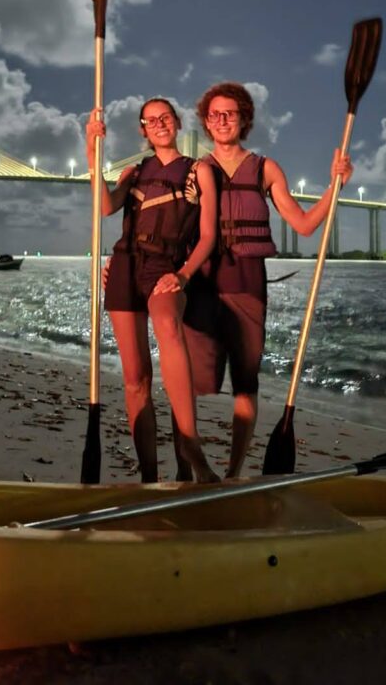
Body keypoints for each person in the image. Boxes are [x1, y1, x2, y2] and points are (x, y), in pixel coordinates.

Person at [162, 82, 353, 480]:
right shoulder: (194, 170)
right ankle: (189, 469)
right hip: (201, 286)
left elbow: (302, 225)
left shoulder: (266, 169)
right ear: (205, 122)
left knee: (245, 387)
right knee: (191, 386)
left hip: (248, 285)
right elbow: (171, 232)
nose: (222, 120)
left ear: (244, 118)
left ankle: (232, 474)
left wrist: (334, 187)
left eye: (230, 113)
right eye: (214, 114)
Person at [86, 97, 219, 484]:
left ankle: (189, 445)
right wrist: (91, 151)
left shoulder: (199, 172)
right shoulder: (134, 171)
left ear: (177, 123)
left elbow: (208, 236)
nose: (159, 124)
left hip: (166, 266)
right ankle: (149, 475)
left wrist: (184, 275)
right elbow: (106, 208)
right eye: (150, 121)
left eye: (165, 118)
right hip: (125, 265)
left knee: (168, 326)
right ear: (143, 130)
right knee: (135, 379)